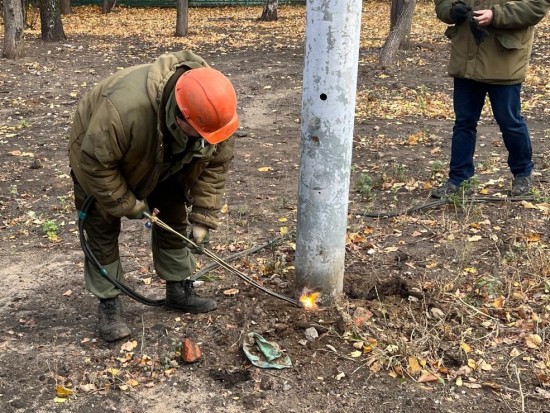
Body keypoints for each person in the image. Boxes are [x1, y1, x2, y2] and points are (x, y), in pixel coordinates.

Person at [68, 50, 239, 342]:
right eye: (198, 133)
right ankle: (109, 303)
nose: (205, 140)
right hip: (99, 155)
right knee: (102, 225)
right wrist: (128, 204)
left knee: (173, 216)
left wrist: (204, 217)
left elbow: (215, 166)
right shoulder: (123, 110)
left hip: (166, 157)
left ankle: (178, 290)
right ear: (180, 114)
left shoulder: (215, 115)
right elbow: (95, 164)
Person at [432, 0, 550, 198]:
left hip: (505, 61)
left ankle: (522, 174)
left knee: (510, 122)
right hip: (466, 60)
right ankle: (459, 179)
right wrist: (452, 11)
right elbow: (442, 3)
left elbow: (537, 6)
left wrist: (497, 15)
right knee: (464, 123)